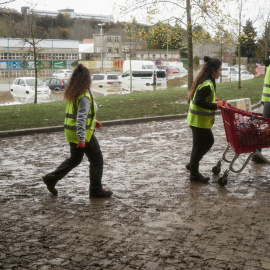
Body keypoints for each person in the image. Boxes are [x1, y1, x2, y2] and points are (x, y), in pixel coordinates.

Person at [42, 64, 113, 198]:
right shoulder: (84, 96)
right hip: (83, 134)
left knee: (75, 159)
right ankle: (96, 189)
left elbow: (79, 114)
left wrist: (93, 121)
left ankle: (51, 178)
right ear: (87, 79)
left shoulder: (73, 93)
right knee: (97, 160)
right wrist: (81, 139)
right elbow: (80, 118)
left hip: (71, 132)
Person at [186, 56, 223, 182]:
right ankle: (194, 174)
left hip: (197, 121)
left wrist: (213, 101)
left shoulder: (208, 80)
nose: (220, 72)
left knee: (201, 144)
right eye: (219, 70)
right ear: (213, 70)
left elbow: (202, 98)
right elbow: (198, 101)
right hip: (198, 121)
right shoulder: (207, 84)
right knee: (205, 143)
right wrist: (215, 105)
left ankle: (192, 165)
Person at [251, 58, 270, 163]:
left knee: (264, 129)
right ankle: (257, 154)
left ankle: (257, 154)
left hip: (267, 101)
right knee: (264, 130)